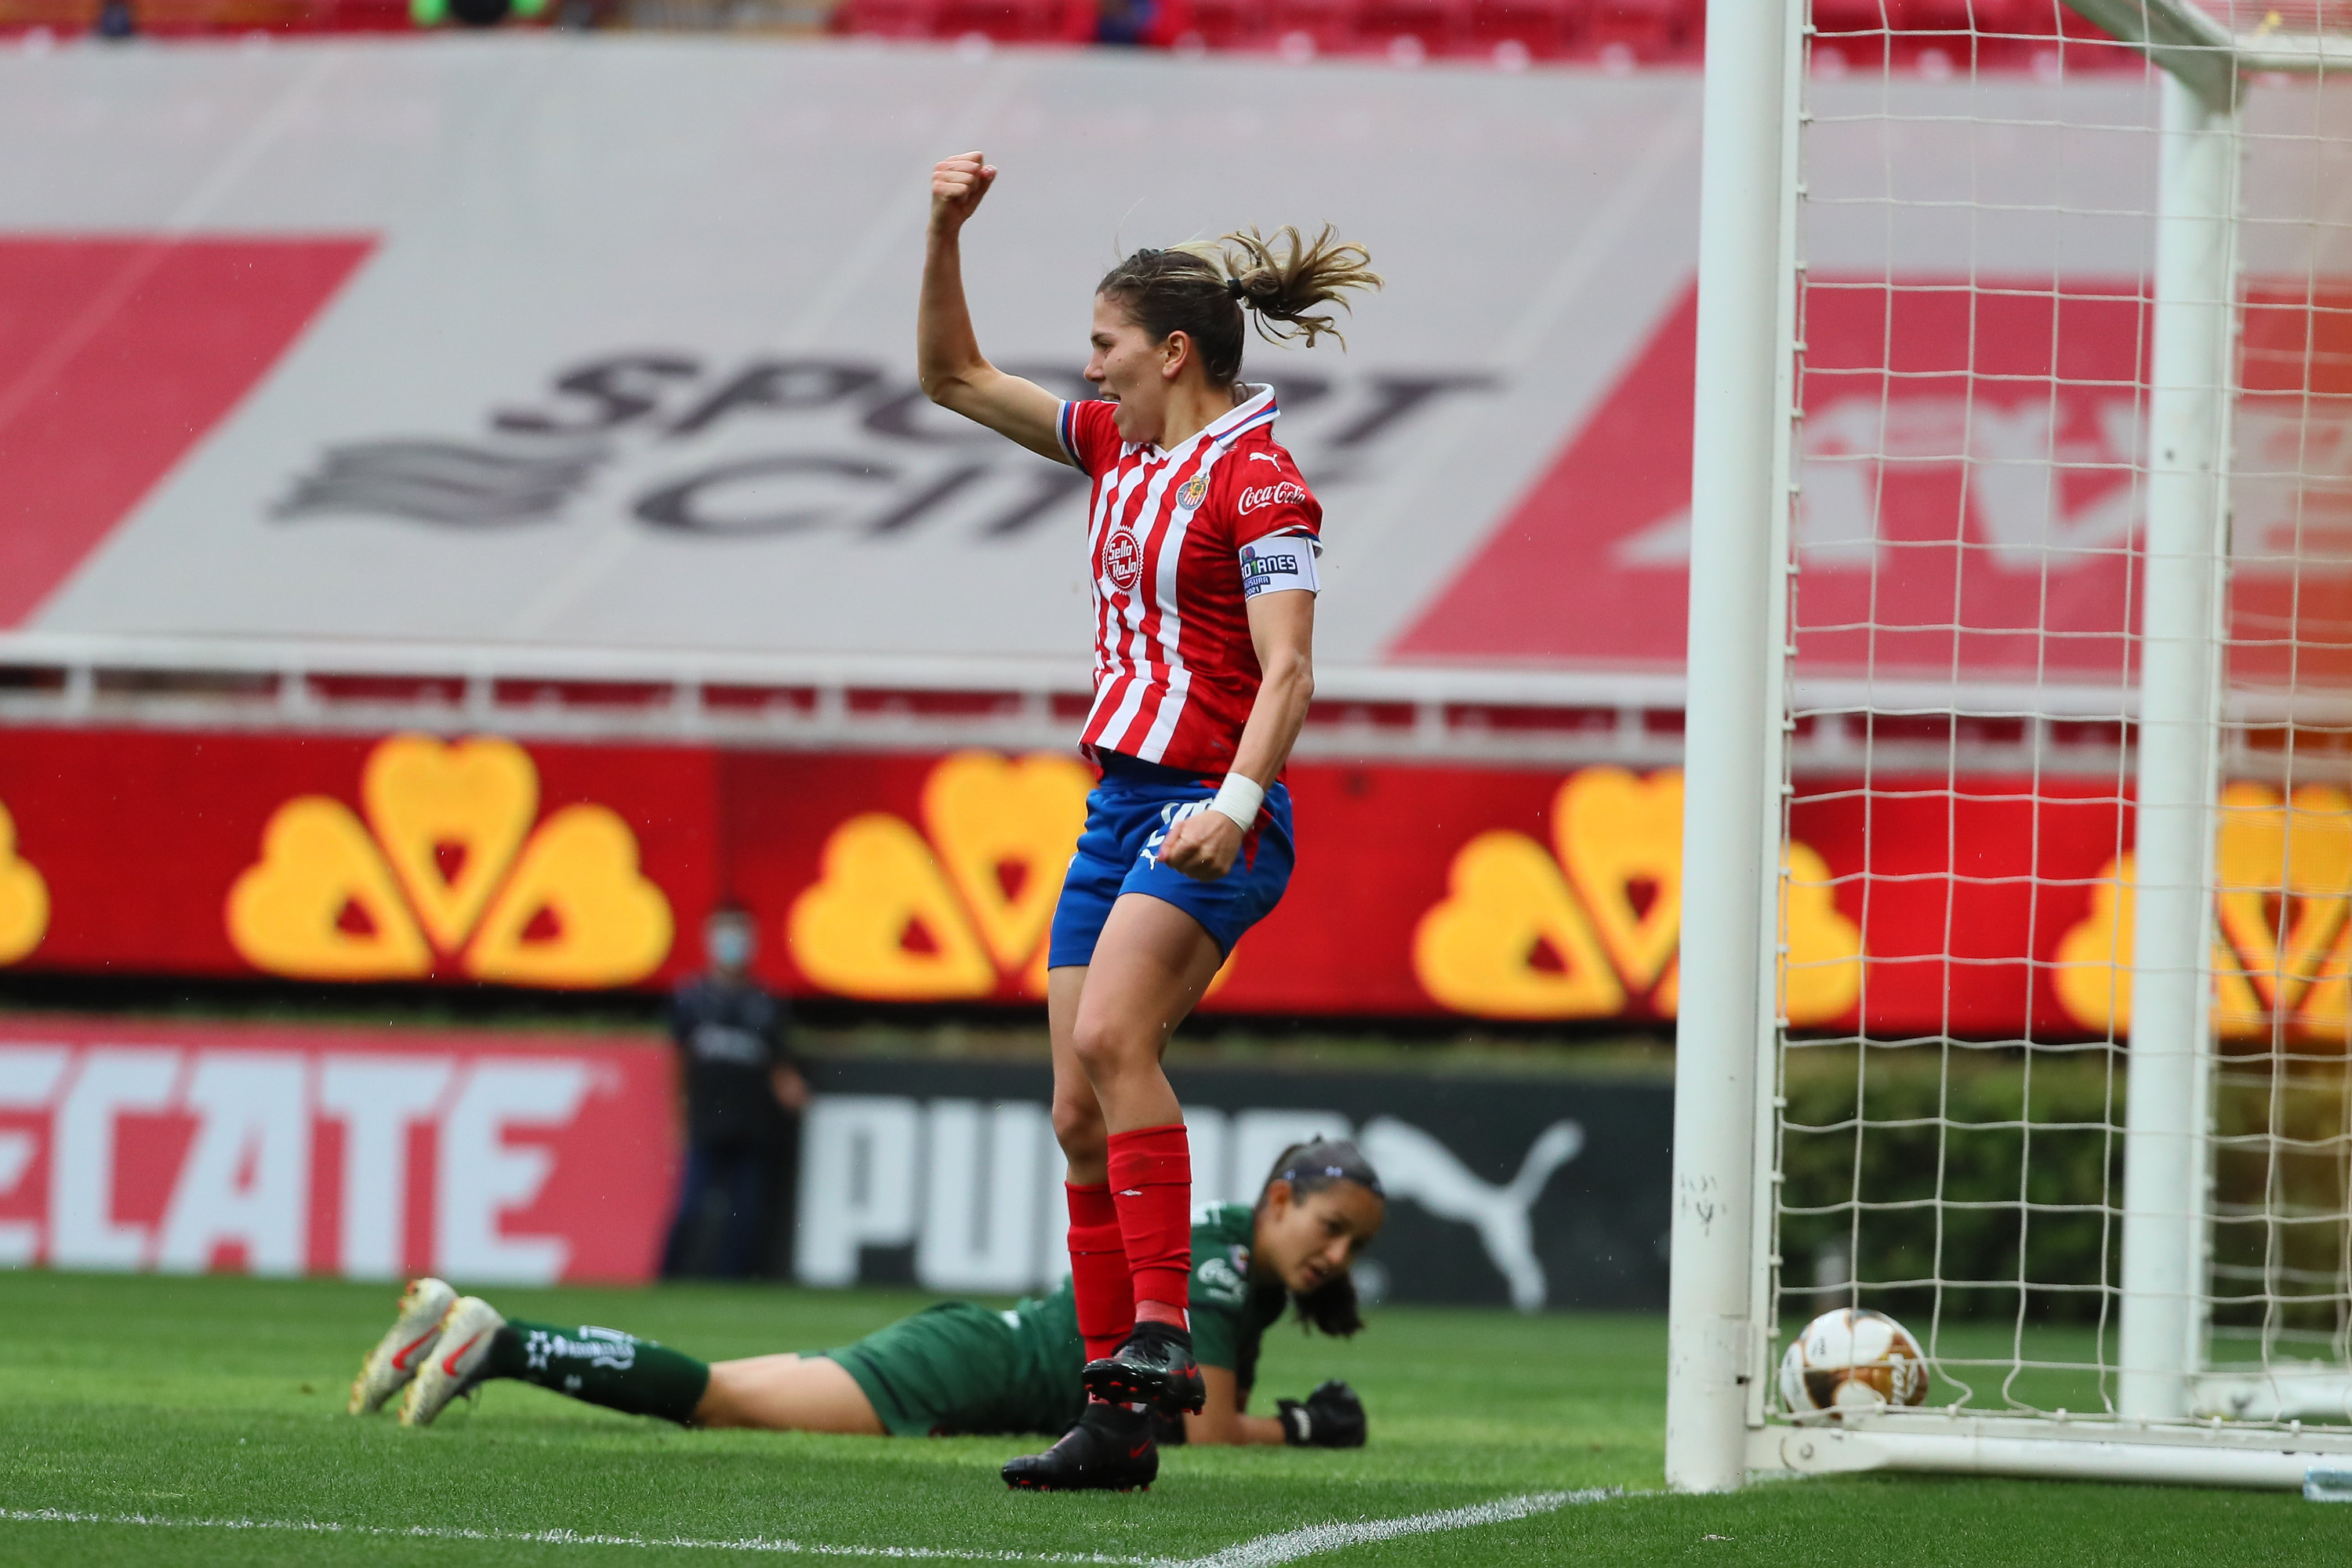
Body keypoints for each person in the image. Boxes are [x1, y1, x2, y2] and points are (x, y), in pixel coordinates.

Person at [916, 150, 1381, 1490]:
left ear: (1175, 352)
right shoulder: (1120, 445)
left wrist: (1236, 806)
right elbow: (951, 377)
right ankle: (1116, 1421)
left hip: (1213, 806)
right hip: (1119, 803)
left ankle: (1163, 1337)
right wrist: (943, 231)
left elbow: (1290, 674)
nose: (1092, 367)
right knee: (1073, 1109)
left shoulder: (1266, 484)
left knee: (1118, 1037)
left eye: (1107, 344)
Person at [349, 1139, 1386, 1489]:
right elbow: (1202, 1431)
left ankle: (461, 1324)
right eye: (1332, 1229)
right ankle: (502, 1340)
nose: (1337, 1258)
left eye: (1355, 1248)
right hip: (962, 1371)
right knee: (718, 1401)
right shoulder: (1220, 1270)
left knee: (726, 1396)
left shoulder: (1227, 1248)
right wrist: (1301, 1428)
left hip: (974, 1351)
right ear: (1282, 1199)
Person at [660, 906, 808, 1280]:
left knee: (747, 1214)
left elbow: (778, 1062)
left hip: (753, 1122)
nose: (732, 945)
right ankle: (668, 1278)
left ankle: (734, 1283)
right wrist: (678, 1115)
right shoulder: (691, 999)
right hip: (707, 1120)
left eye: (740, 935)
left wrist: (788, 1085)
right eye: (725, 934)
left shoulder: (767, 1002)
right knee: (691, 1207)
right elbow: (678, 1062)